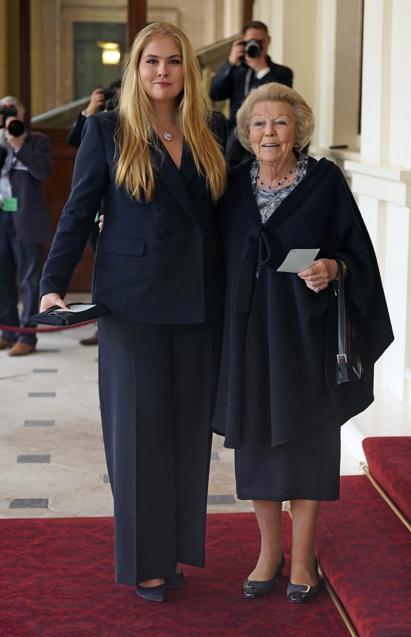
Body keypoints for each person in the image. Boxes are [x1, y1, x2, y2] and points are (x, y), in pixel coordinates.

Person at [39, 22, 227, 602]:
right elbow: (77, 212)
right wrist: (51, 286)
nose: (162, 71)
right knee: (140, 435)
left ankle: (173, 551)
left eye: (173, 61)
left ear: (187, 71)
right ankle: (146, 562)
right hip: (134, 302)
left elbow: (228, 217)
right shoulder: (107, 129)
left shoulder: (211, 130)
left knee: (186, 434)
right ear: (135, 69)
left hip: (199, 301)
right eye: (151, 61)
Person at [212, 83, 393, 603]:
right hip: (248, 337)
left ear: (299, 131)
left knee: (309, 446)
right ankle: (269, 554)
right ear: (246, 134)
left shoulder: (324, 182)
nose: (270, 132)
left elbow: (358, 253)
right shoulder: (229, 186)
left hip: (307, 337)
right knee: (258, 449)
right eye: (260, 124)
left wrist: (334, 267)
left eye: (281, 122)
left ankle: (306, 558)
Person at [67, 81, 121, 347]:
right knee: (103, 268)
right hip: (96, 212)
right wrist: (91, 109)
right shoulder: (99, 123)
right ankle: (102, 324)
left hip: (126, 215)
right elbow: (73, 140)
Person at [0, 96, 52, 356]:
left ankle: (27, 337)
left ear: (22, 114)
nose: (9, 116)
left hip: (26, 218)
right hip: (2, 215)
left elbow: (43, 172)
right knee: (2, 277)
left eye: (13, 111)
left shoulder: (36, 140)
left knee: (30, 279)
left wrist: (19, 145)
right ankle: (7, 331)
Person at [209, 20, 293, 165]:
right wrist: (229, 63)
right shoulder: (236, 71)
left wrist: (262, 70)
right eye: (250, 42)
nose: (255, 45)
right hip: (235, 136)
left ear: (268, 41)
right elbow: (215, 93)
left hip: (266, 133)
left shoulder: (282, 73)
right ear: (243, 43)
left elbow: (283, 100)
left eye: (260, 41)